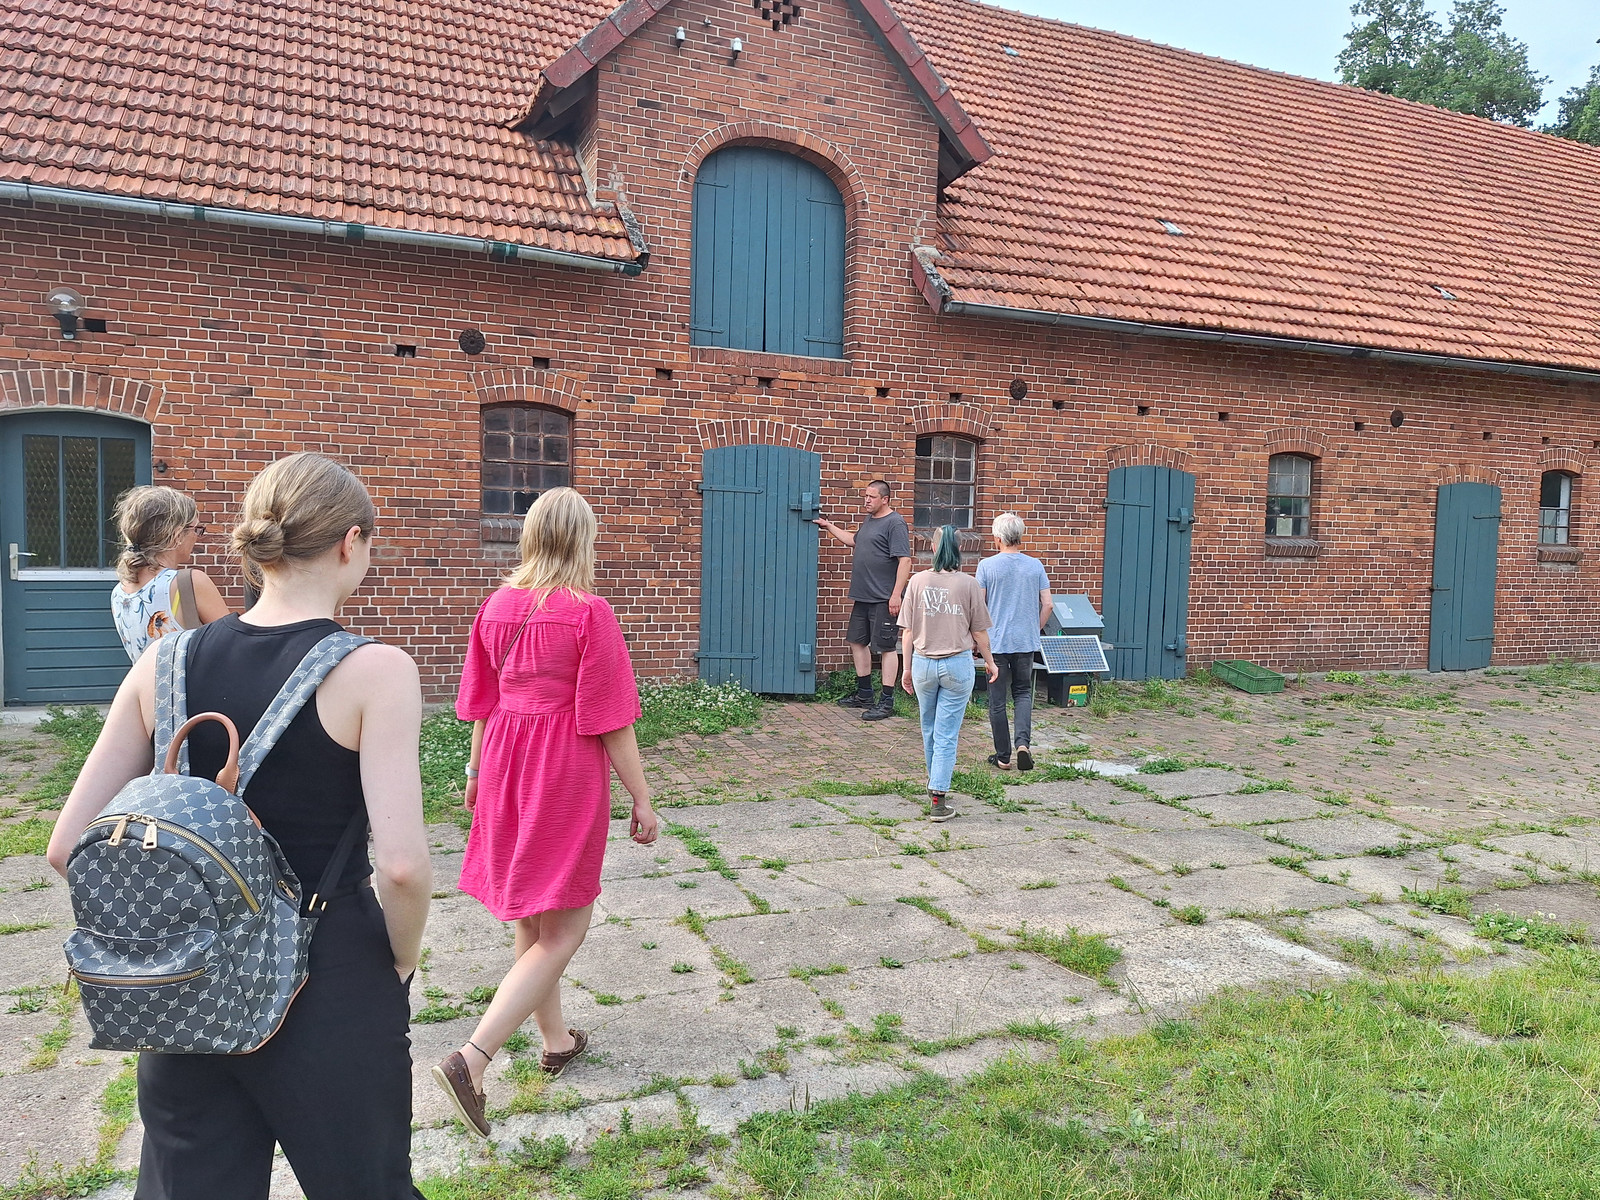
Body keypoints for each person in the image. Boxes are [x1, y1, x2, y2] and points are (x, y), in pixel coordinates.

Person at [47, 452, 434, 1200]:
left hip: (185, 983)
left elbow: (69, 847)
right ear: (351, 543)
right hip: (329, 974)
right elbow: (405, 868)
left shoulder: (163, 662)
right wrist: (400, 964)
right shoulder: (374, 672)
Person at [435, 487, 659, 1140]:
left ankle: (556, 1039)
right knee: (565, 927)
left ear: (531, 536)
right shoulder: (589, 613)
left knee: (536, 914)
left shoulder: (496, 604)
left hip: (505, 757)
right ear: (582, 540)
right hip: (561, 763)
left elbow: (479, 701)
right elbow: (611, 718)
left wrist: (475, 773)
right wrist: (642, 798)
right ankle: (472, 1059)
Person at [898, 525, 998, 822]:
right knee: (946, 734)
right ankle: (939, 798)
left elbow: (907, 632)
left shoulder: (917, 581)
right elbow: (979, 632)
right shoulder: (968, 584)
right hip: (956, 664)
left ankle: (934, 787)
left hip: (923, 664)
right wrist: (990, 662)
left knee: (929, 728)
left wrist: (906, 669)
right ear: (958, 550)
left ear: (933, 548)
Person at [815, 479, 911, 720]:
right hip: (863, 596)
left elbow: (905, 561)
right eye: (865, 496)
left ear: (885, 499)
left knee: (886, 647)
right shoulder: (870, 520)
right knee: (857, 642)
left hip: (883, 598)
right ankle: (864, 694)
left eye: (872, 497)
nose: (866, 500)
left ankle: (887, 701)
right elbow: (853, 541)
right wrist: (828, 526)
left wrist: (895, 594)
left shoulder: (895, 523)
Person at [110, 485, 230, 661]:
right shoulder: (189, 583)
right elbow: (235, 645)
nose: (198, 536)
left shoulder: (118, 593)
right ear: (177, 535)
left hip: (148, 689)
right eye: (196, 529)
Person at [975, 512, 1053, 773]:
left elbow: (979, 607)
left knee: (997, 701)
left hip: (995, 643)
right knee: (1022, 693)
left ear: (998, 538)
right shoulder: (1036, 566)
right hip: (1025, 642)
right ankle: (1023, 744)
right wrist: (1034, 628)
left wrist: (978, 639)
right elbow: (1048, 604)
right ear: (1020, 536)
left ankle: (1003, 756)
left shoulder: (987, 567)